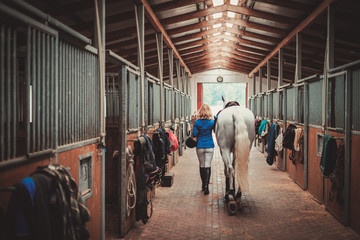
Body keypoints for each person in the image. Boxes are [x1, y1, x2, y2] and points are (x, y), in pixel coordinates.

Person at [192, 104, 215, 195]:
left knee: (202, 165)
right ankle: (207, 187)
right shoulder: (212, 122)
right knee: (208, 165)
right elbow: (215, 131)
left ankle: (203, 185)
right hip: (209, 146)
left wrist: (199, 135)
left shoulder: (197, 122)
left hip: (200, 146)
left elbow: (194, 134)